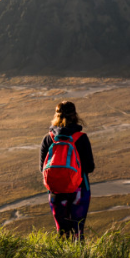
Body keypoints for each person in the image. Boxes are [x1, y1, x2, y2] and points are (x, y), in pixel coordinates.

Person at [39, 101, 95, 240]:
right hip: (79, 190)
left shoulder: (48, 138)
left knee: (62, 232)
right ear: (75, 115)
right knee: (78, 232)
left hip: (56, 192)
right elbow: (90, 167)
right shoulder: (81, 138)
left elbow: (43, 168)